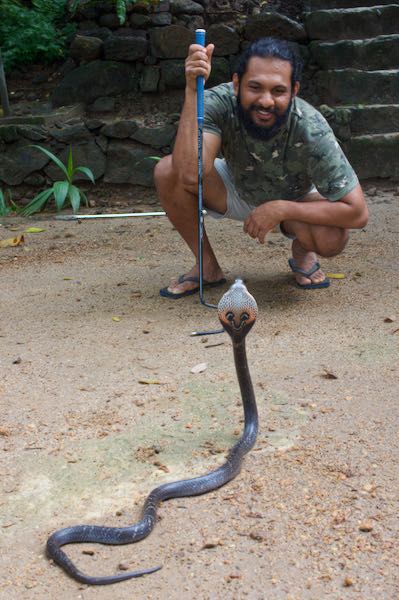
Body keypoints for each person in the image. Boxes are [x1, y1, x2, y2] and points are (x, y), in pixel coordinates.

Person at [155, 37, 368, 298]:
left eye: (278, 91)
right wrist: (191, 91)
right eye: (254, 87)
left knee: (331, 238)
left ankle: (302, 249)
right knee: (168, 171)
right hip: (235, 186)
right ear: (237, 84)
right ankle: (207, 266)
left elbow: (357, 213)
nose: (266, 101)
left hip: (296, 199)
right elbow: (190, 173)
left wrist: (280, 208)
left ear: (294, 90)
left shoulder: (311, 126)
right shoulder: (217, 102)